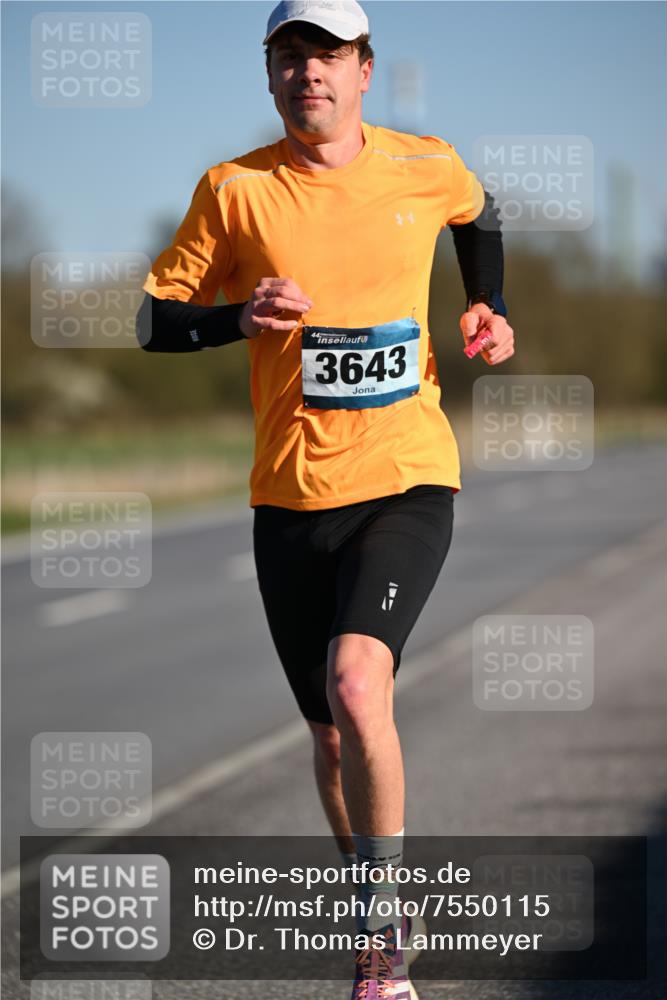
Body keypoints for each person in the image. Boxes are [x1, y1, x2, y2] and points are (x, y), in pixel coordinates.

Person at [136, 1, 514, 995]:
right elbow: (153, 321)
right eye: (289, 56)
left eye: (328, 55)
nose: (308, 71)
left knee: (357, 684)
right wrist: (235, 318)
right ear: (270, 76)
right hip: (290, 496)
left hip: (404, 476)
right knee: (330, 734)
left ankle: (381, 946)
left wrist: (487, 302)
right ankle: (378, 893)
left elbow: (479, 217)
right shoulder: (234, 190)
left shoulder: (423, 163)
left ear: (363, 70)